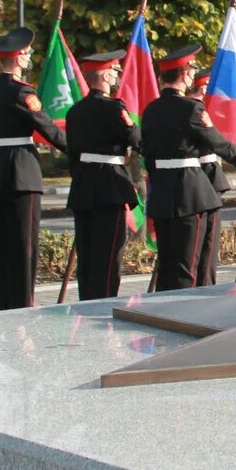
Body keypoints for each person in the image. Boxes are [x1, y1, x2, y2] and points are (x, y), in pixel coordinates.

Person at [141, 45, 236, 291]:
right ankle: (184, 315)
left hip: (161, 194)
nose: (192, 74)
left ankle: (163, 311)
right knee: (189, 266)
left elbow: (147, 152)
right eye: (190, 69)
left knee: (168, 262)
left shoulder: (150, 110)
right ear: (184, 75)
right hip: (191, 194)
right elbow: (218, 143)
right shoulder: (192, 109)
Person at [0, 27, 69, 310]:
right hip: (22, 172)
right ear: (19, 58)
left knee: (5, 245)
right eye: (28, 53)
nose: (29, 57)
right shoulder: (22, 93)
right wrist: (80, 151)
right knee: (25, 247)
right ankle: (22, 306)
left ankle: (7, 305)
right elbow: (47, 129)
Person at [64, 50, 141, 301]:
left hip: (84, 185)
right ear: (105, 75)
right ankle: (105, 302)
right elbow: (135, 139)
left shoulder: (74, 111)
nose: (118, 76)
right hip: (110, 186)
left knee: (87, 253)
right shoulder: (114, 108)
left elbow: (72, 154)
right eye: (115, 72)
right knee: (109, 255)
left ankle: (86, 301)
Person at [188, 68, 227, 286]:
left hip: (209, 177)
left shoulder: (202, 109)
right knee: (205, 247)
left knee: (209, 248)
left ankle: (207, 285)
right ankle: (205, 288)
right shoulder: (196, 110)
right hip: (202, 177)